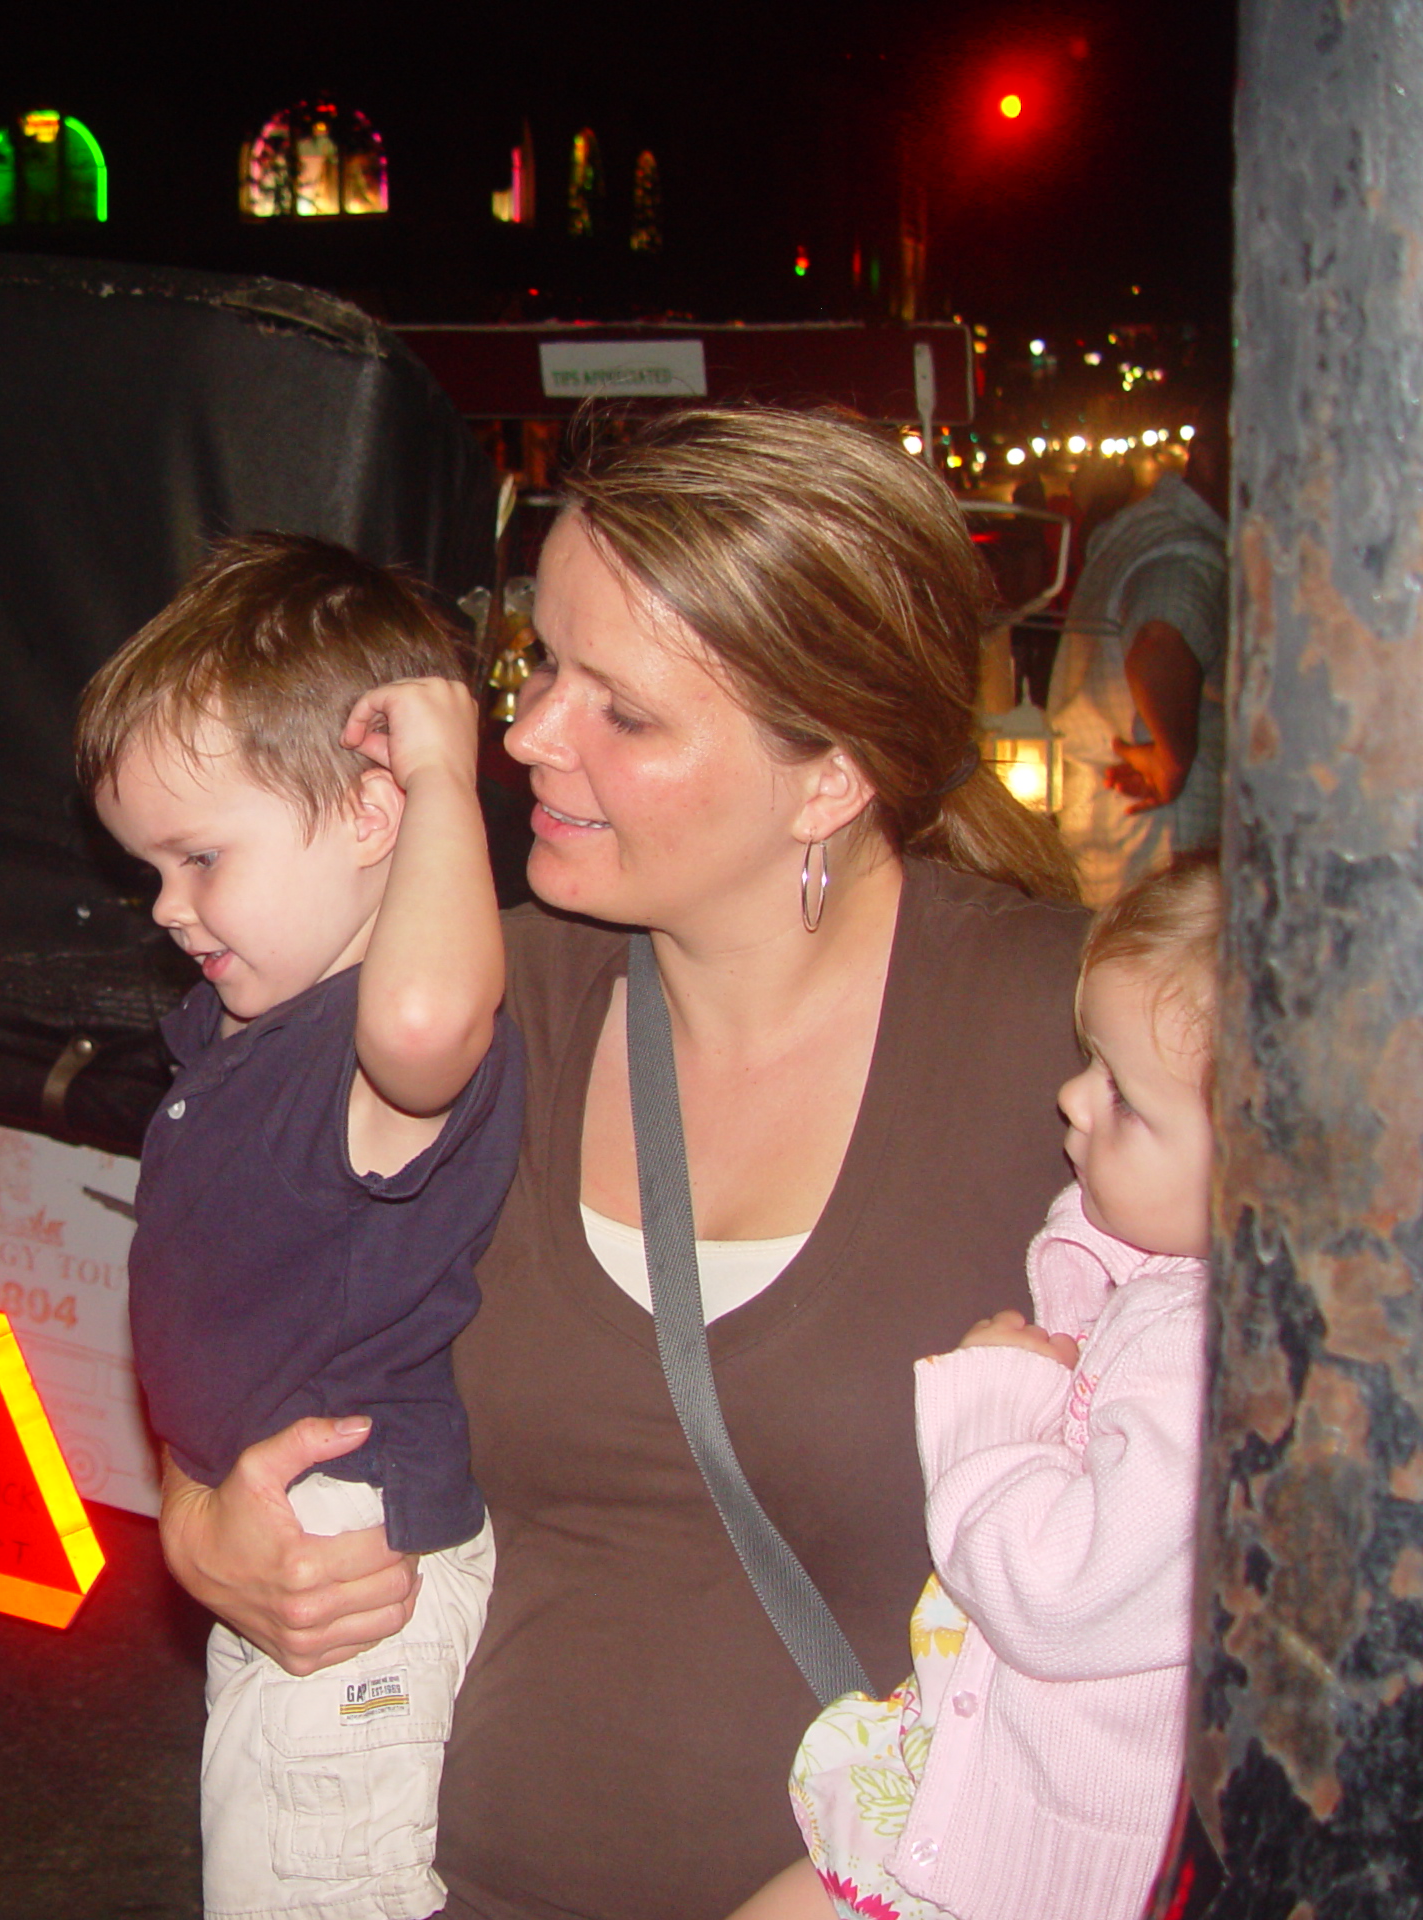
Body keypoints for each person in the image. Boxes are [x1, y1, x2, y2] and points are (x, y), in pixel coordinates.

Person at [156, 407, 1090, 1920]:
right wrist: (204, 1523)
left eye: (624, 712)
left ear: (829, 778)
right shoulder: (458, 1005)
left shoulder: (1070, 1048)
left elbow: (1190, 1590)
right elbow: (221, 1262)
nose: (526, 738)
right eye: (539, 663)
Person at [78, 534, 523, 1920]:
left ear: (375, 811)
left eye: (202, 857)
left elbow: (428, 1019)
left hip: (347, 1554)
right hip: (283, 1530)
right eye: (151, 868)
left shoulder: (379, 1037)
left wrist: (450, 771)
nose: (168, 907)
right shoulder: (249, 1032)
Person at [737, 860, 1216, 1920]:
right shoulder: (1171, 1295)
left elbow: (1054, 1592)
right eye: (1091, 1062)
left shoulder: (1201, 1361)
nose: (1072, 1094)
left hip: (1036, 1864)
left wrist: (999, 1408)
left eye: (1125, 1100)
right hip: (974, 1794)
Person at [1047, 425, 1229, 905]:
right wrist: (1173, 759)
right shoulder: (1187, 553)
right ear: (1212, 455)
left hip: (1118, 834)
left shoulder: (1140, 532)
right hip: (1167, 843)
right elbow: (1158, 644)